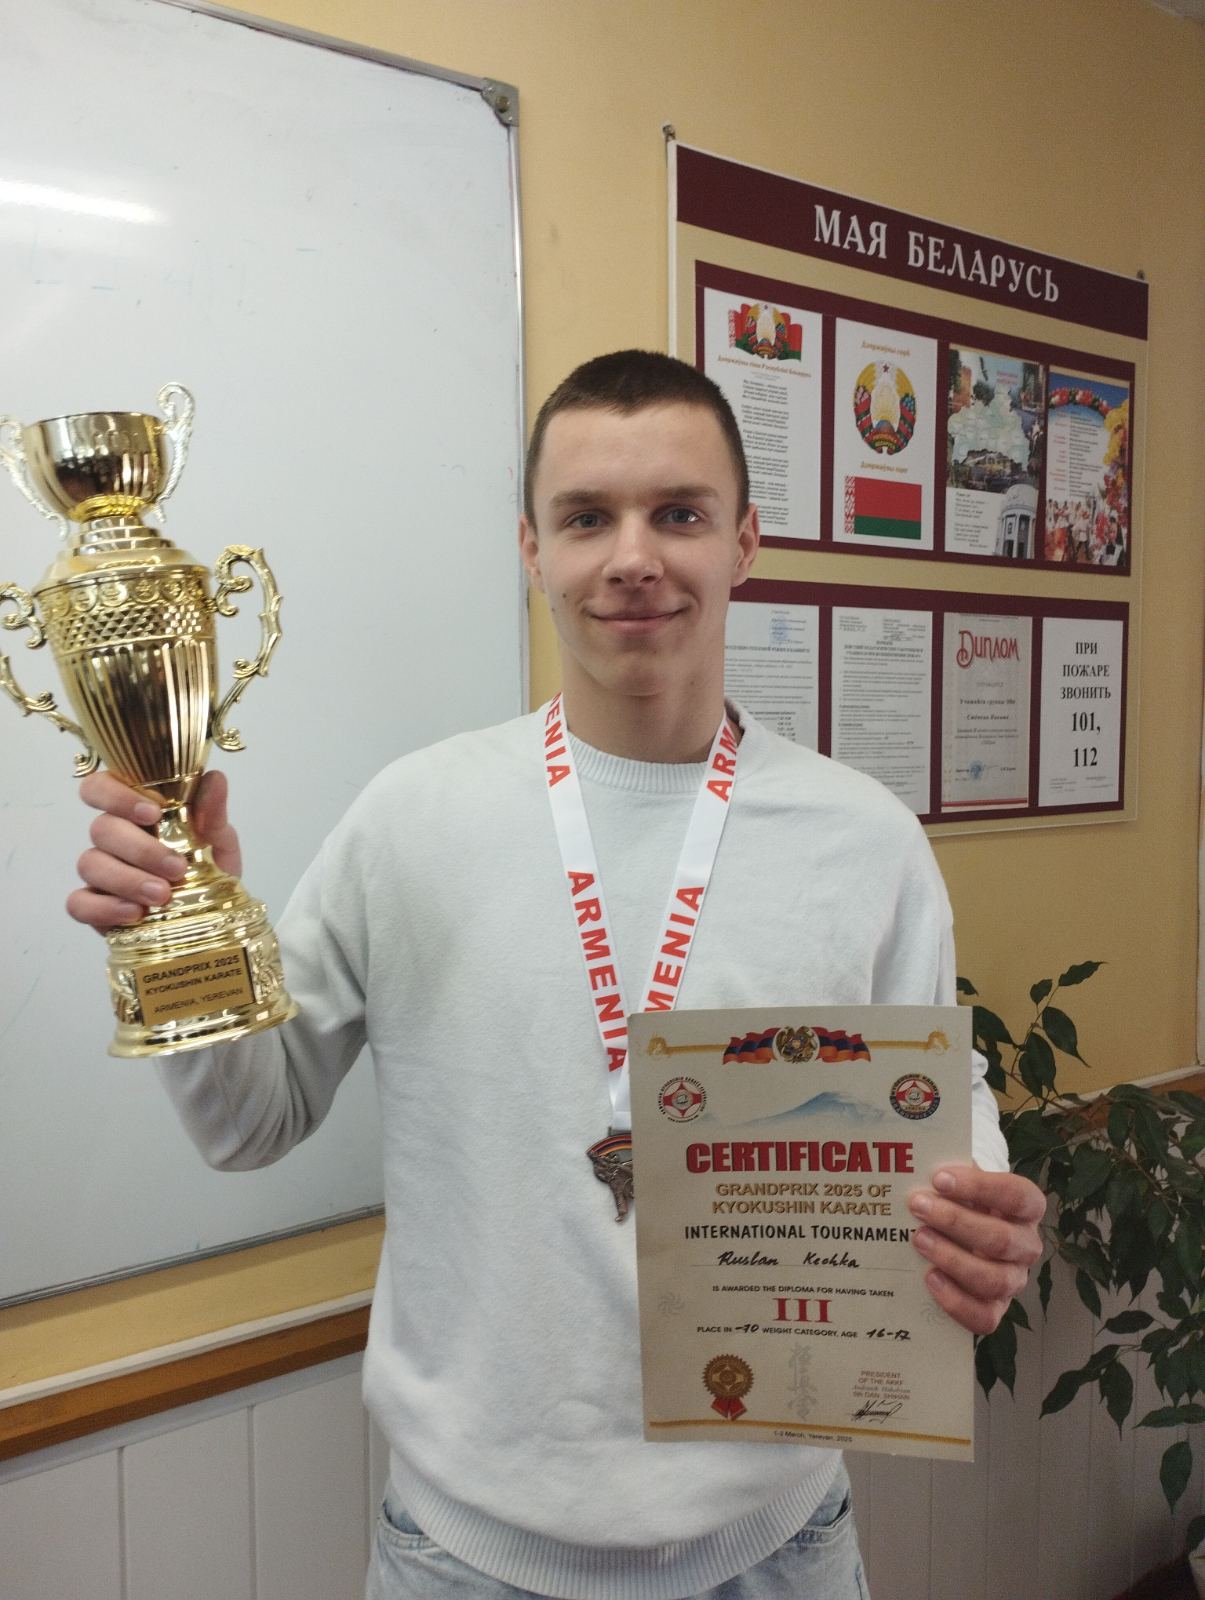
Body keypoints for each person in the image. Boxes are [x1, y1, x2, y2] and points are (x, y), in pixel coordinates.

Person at [69, 350, 1044, 1600]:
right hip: (464, 1560)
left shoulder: (864, 839)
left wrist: (980, 1203)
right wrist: (178, 942)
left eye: (677, 512)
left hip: (780, 1548)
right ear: (531, 550)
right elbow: (249, 1122)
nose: (632, 557)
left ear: (744, 543)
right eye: (586, 518)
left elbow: (935, 1093)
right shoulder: (409, 818)